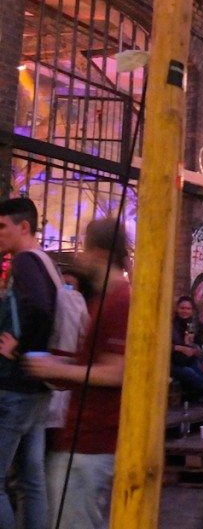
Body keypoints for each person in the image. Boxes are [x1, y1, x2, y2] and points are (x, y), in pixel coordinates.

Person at [23, 218, 130, 529]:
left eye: (84, 248)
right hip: (84, 438)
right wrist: (61, 366)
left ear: (98, 251)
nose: (79, 257)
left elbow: (116, 372)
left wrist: (60, 370)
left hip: (94, 439)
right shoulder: (104, 299)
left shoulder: (120, 300)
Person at [0, 197, 58, 529]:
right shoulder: (44, 262)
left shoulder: (24, 262)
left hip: (16, 387)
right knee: (31, 479)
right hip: (38, 386)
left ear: (24, 227)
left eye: (2, 226)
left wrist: (19, 350)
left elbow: (40, 309)